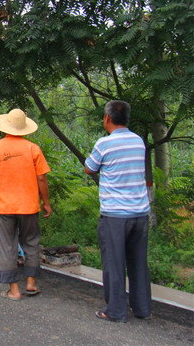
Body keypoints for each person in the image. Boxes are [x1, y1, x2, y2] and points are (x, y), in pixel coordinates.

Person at [84, 100, 151, 322]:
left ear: (107, 118)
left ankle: (115, 311)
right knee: (138, 262)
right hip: (140, 213)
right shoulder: (138, 141)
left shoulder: (104, 144)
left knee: (114, 262)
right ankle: (142, 309)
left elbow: (89, 167)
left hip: (115, 215)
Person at [0, 109, 52, 300]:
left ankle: (14, 289)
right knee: (31, 242)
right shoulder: (33, 149)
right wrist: (46, 203)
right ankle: (31, 283)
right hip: (28, 205)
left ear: (5, 127)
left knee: (7, 246)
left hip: (3, 206)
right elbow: (42, 178)